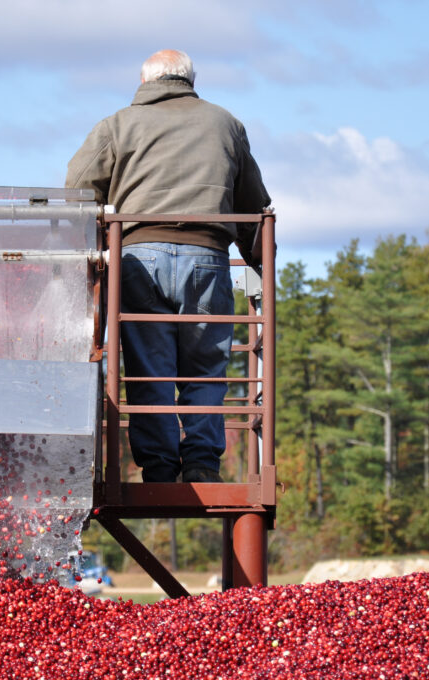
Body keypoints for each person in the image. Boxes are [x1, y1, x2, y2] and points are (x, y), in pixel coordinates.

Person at [66, 49, 270, 483]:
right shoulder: (226, 124)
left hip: (137, 257)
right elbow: (254, 201)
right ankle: (200, 465)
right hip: (208, 258)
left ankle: (159, 468)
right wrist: (259, 261)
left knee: (147, 367)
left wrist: (91, 247)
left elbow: (77, 187)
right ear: (190, 79)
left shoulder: (117, 125)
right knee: (206, 367)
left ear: (145, 81)